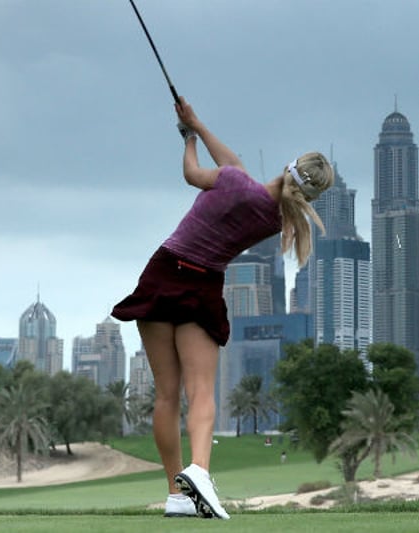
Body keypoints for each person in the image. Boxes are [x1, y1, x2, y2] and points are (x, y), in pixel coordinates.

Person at [111, 96, 334, 520]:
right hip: (201, 286)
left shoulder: (234, 182)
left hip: (163, 272)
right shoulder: (278, 220)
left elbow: (194, 173)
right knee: (200, 392)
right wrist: (195, 124)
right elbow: (236, 168)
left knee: (166, 395)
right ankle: (199, 470)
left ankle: (177, 492)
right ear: (311, 196)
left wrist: (188, 139)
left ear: (288, 165)